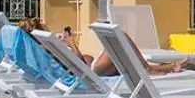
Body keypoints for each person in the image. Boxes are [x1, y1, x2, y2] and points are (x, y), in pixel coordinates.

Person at [58, 27, 186, 77]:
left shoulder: (56, 53)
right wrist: (71, 42)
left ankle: (173, 66)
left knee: (134, 64)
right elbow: (79, 64)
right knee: (120, 36)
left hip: (96, 67)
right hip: (95, 69)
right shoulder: (60, 53)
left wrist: (70, 44)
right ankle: (148, 70)